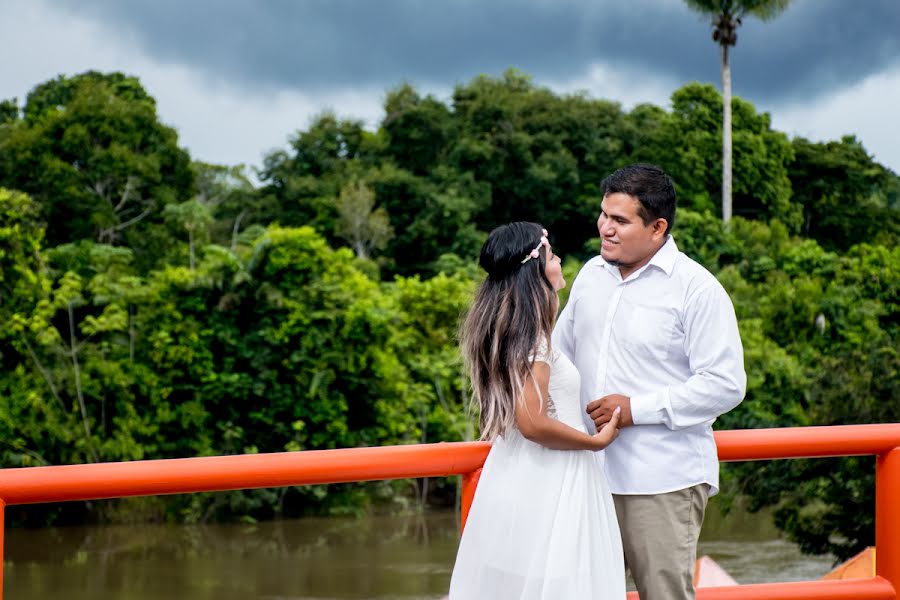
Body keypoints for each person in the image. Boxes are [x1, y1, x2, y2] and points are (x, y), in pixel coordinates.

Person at [553, 164, 747, 600]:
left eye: (620, 220)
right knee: (580, 593)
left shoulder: (697, 289)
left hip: (661, 479)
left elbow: (726, 384)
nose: (605, 228)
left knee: (663, 595)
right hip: (588, 474)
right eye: (604, 214)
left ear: (658, 227)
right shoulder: (590, 275)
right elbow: (556, 353)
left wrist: (634, 409)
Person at [449, 222, 626, 600]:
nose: (559, 259)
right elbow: (531, 421)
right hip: (553, 477)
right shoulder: (533, 338)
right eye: (551, 253)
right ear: (536, 268)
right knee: (562, 583)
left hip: (515, 474)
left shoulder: (510, 330)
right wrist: (594, 442)